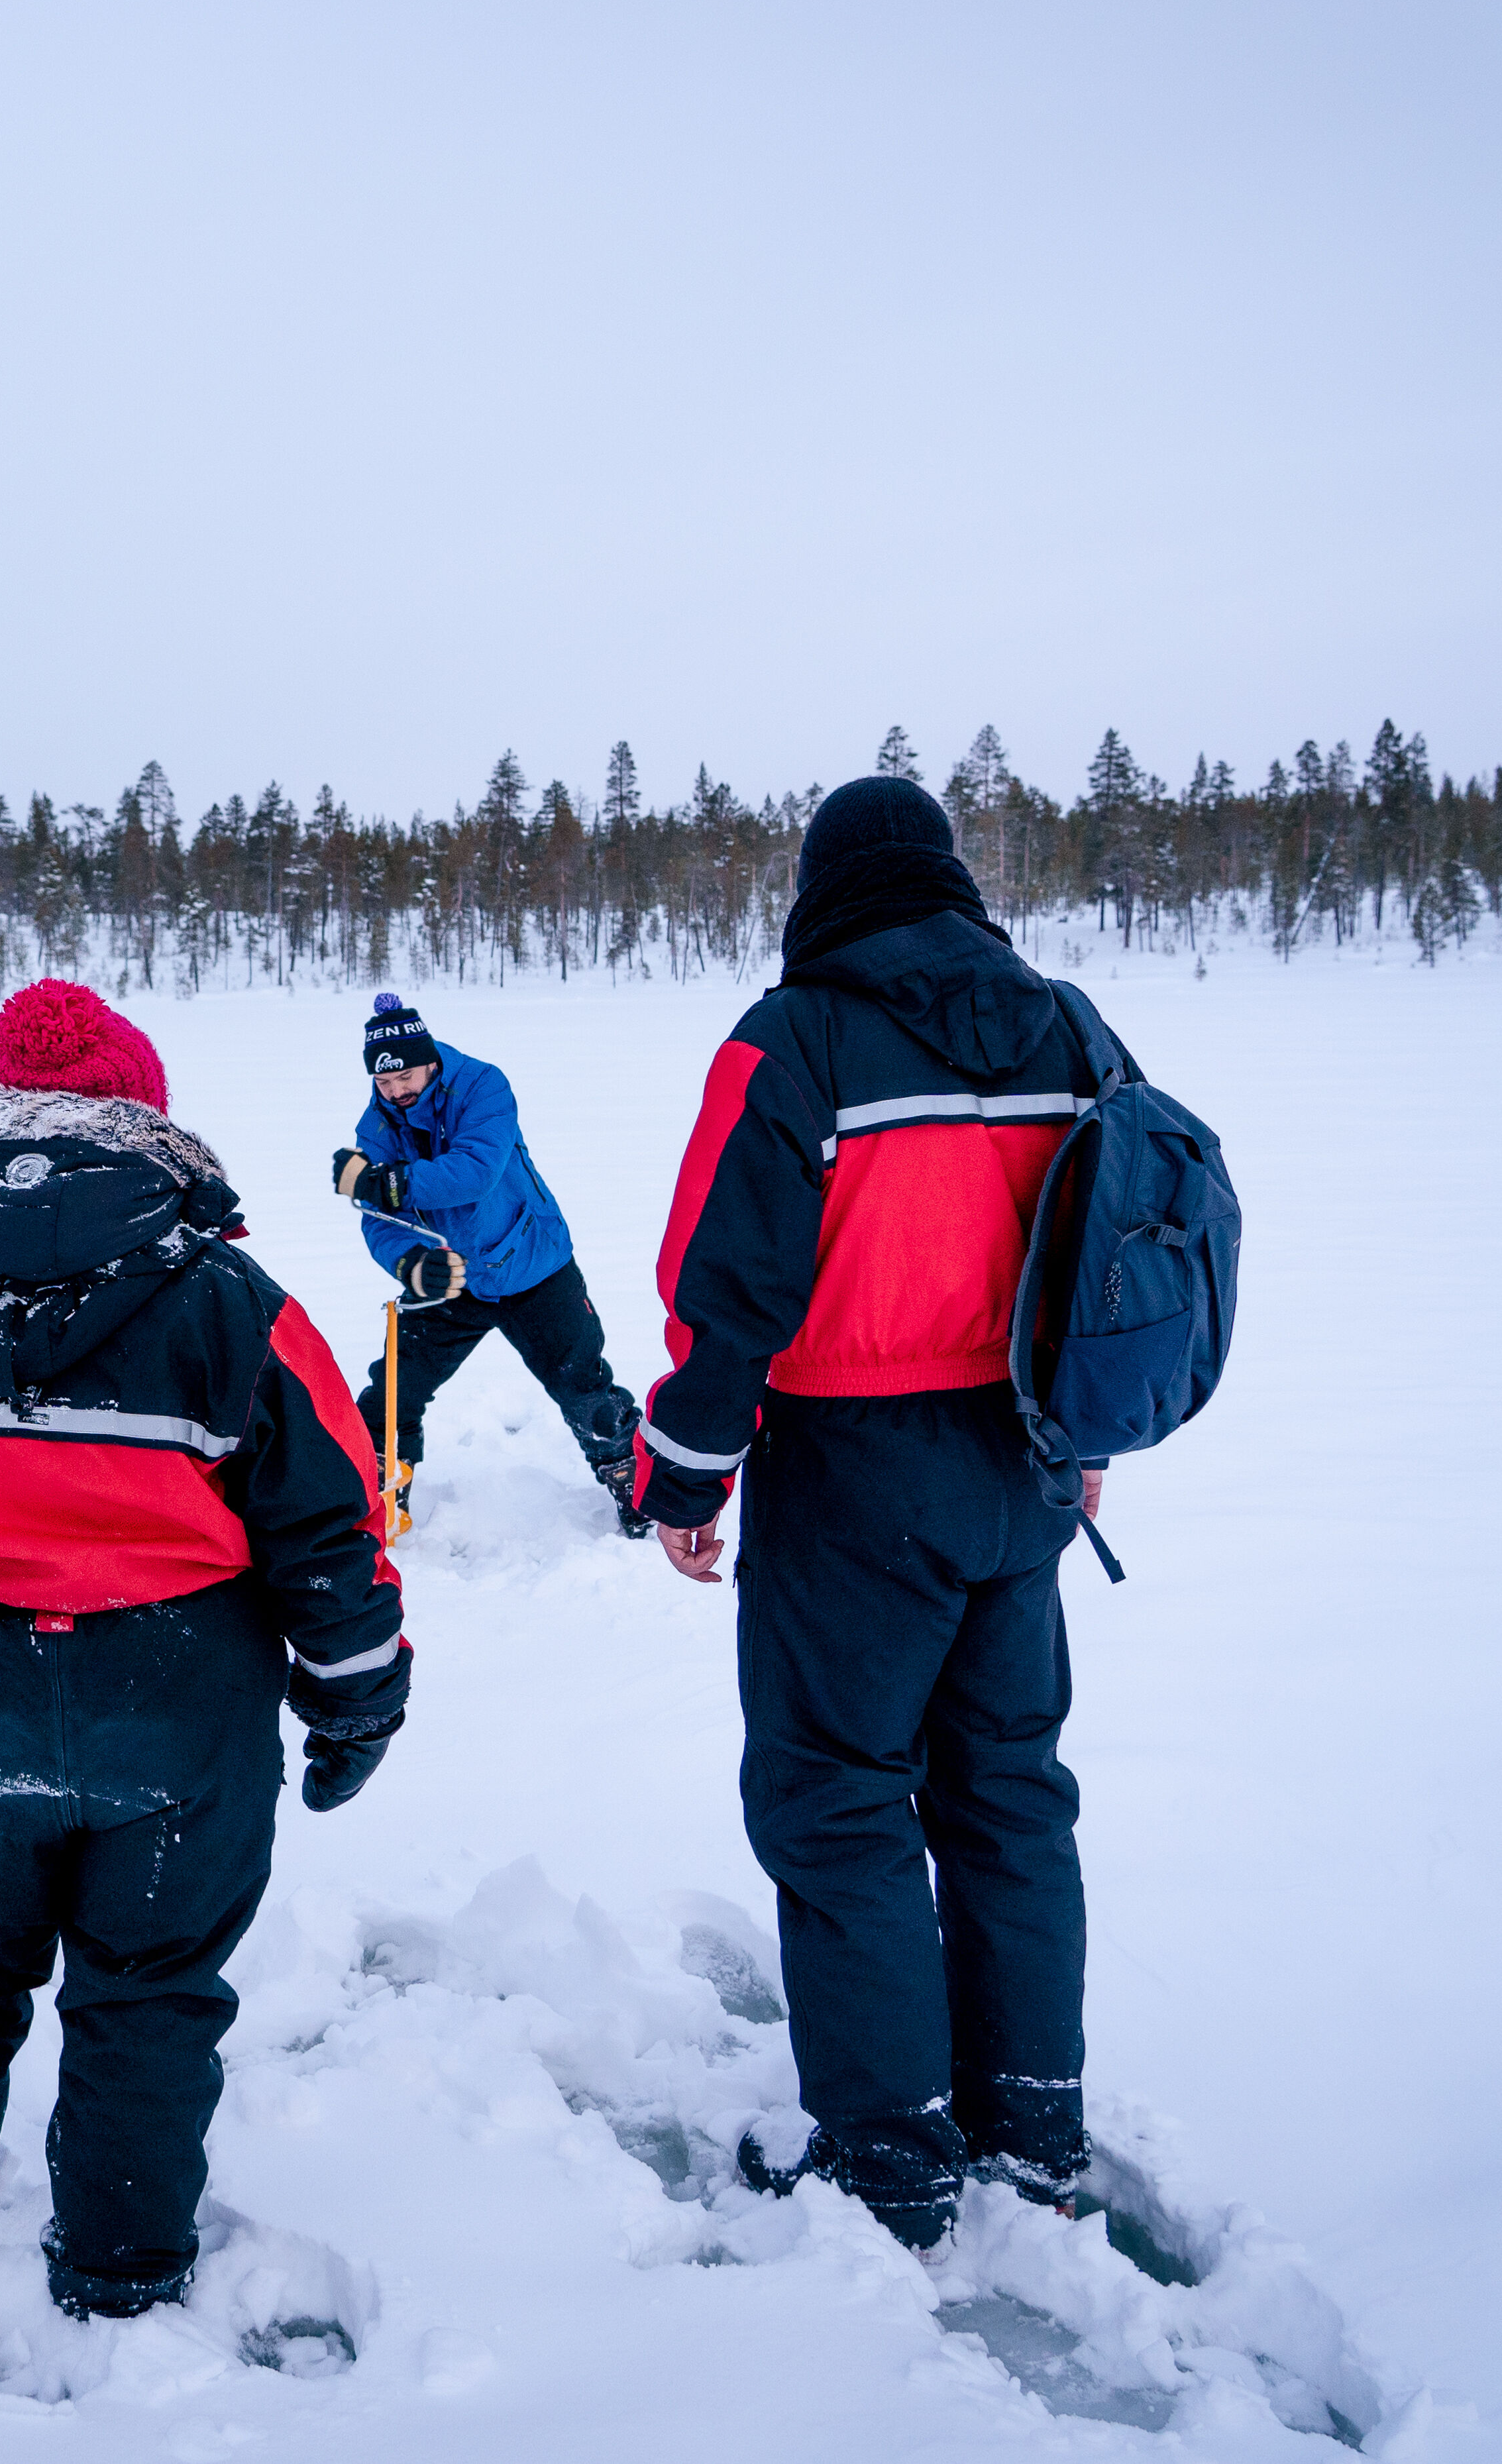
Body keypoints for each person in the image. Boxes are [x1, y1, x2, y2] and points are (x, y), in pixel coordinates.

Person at [0, 979, 407, 2320]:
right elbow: (328, 1519)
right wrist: (356, 1696)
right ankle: (122, 2264)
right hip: (178, 1699)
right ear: (142, 1119)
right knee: (150, 1978)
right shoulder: (232, 1300)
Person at [637, 773, 1133, 2255]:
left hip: (855, 1469)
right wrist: (1090, 1426)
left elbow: (727, 1283)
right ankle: (1031, 2118)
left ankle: (891, 2158)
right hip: (1026, 1463)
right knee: (1009, 1792)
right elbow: (1127, 1242)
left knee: (840, 1799)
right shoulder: (1069, 1024)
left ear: (821, 889)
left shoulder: (794, 1039)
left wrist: (682, 1472)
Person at [331, 993, 647, 1534]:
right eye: (384, 1084)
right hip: (451, 1279)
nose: (397, 1092)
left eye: (405, 1076)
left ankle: (638, 1484)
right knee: (391, 1393)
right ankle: (380, 1497)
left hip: (532, 1266)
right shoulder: (377, 1128)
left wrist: (393, 1183)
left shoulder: (483, 1086)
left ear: (430, 1060)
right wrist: (410, 1262)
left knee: (584, 1386)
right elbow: (374, 1217)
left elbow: (476, 1170)